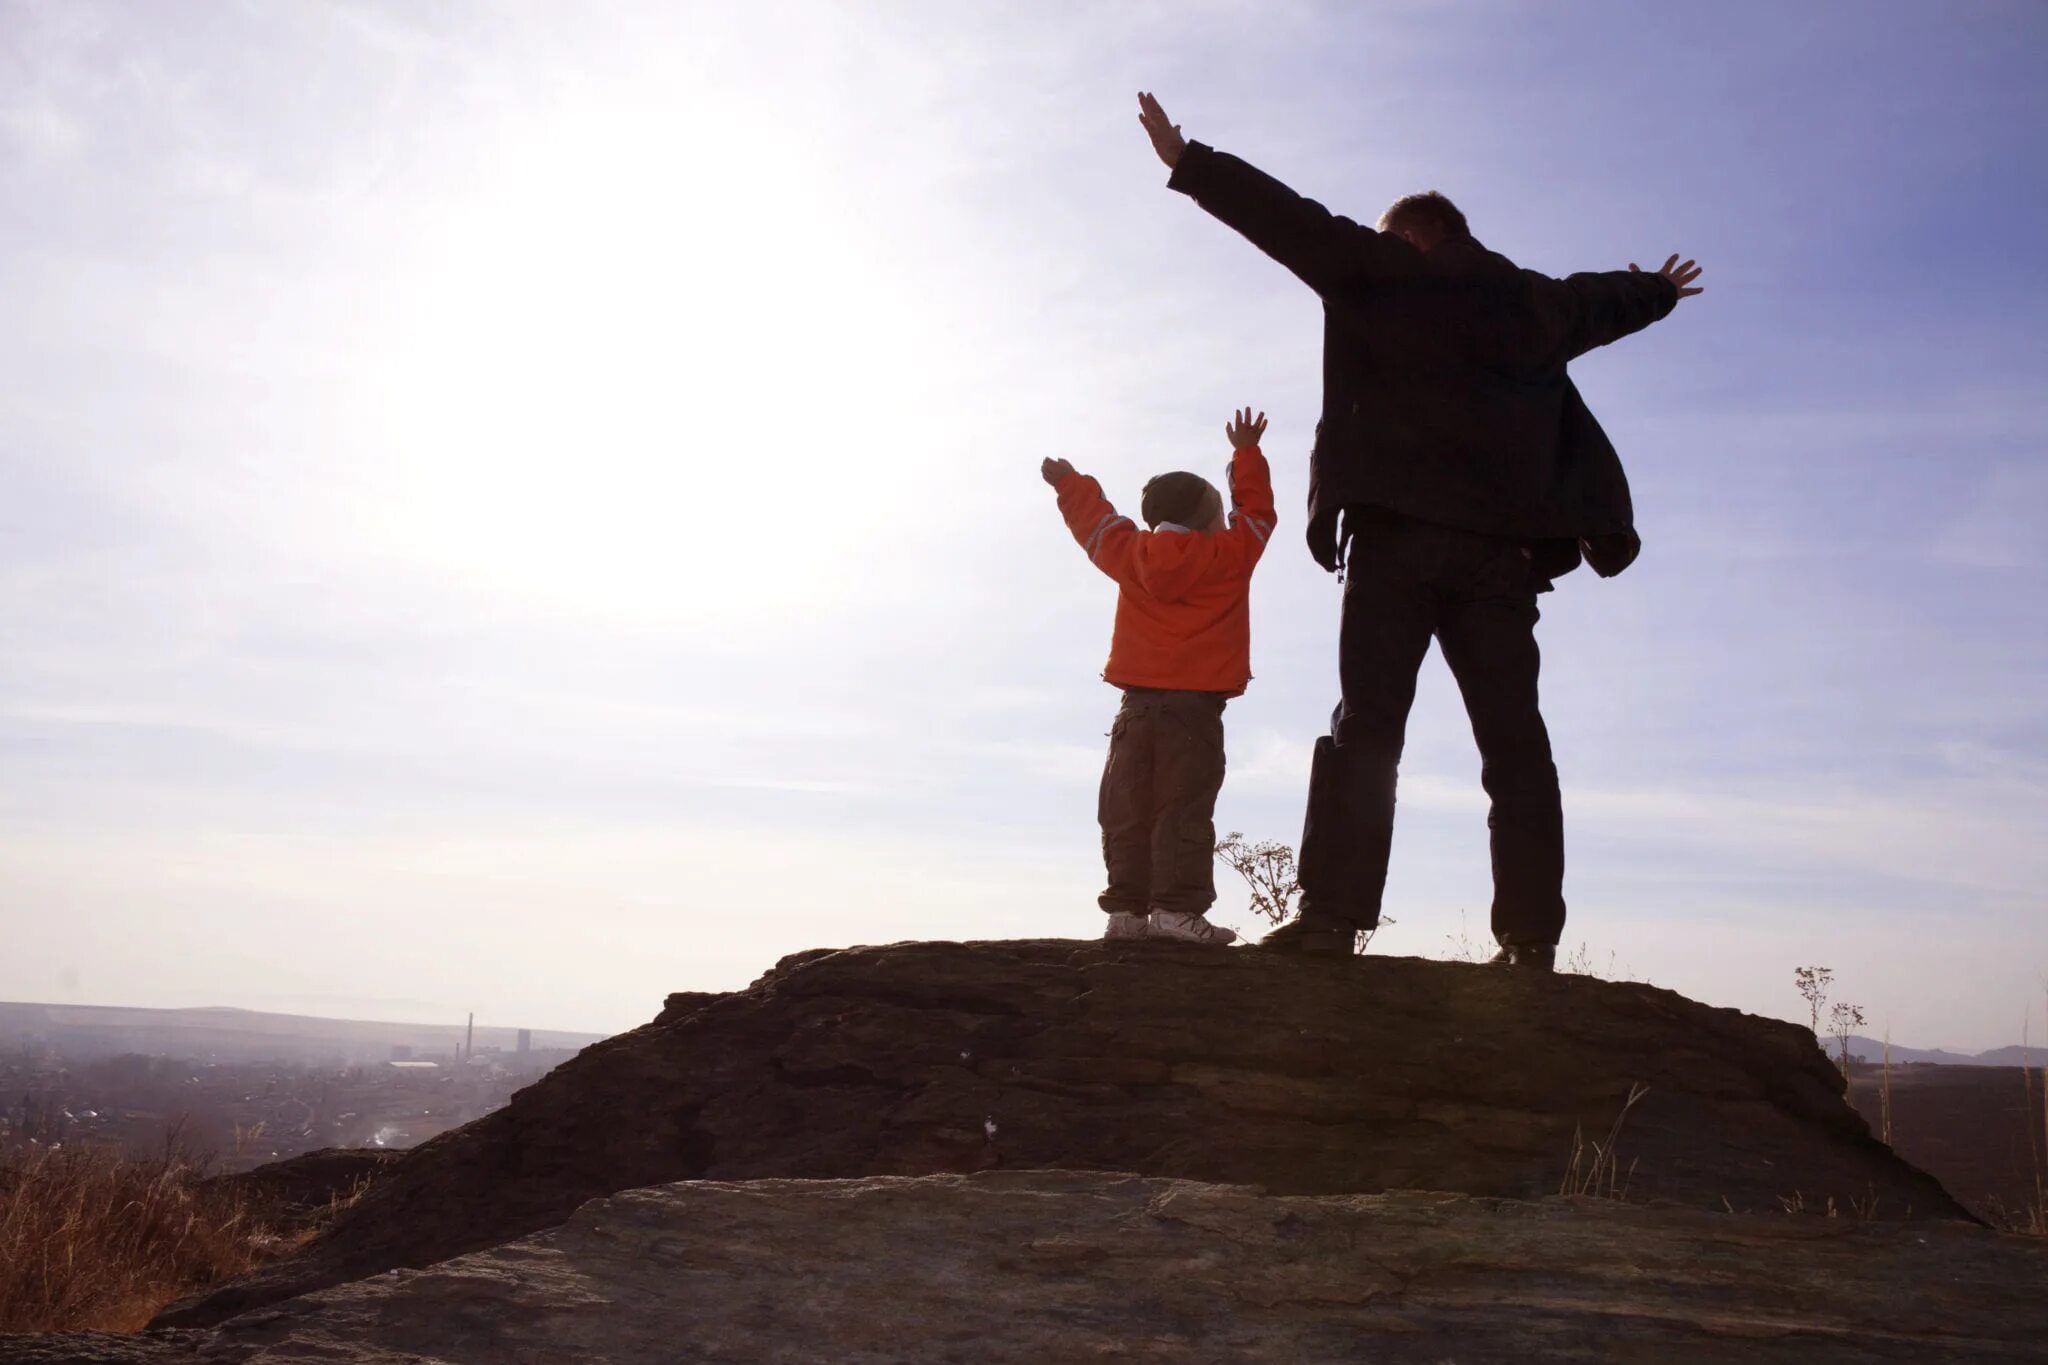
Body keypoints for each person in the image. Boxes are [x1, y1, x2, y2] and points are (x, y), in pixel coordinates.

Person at [1135, 92, 1703, 970]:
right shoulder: (1532, 302)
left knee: (1368, 730)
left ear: (1406, 235)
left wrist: (1188, 162)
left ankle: (1330, 922)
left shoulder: (1377, 271)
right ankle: (1529, 940)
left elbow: (1286, 218)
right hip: (1501, 561)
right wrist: (1660, 289)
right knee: (1515, 744)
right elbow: (1606, 301)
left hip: (1396, 543)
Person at [1044, 408, 1277, 945]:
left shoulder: (1132, 552)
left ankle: (1125, 912)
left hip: (1137, 707)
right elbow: (1259, 513)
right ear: (1208, 517)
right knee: (1183, 808)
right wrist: (1245, 454)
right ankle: (1175, 910)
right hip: (1195, 711)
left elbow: (1095, 523)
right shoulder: (1229, 554)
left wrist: (1071, 483)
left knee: (1125, 807)